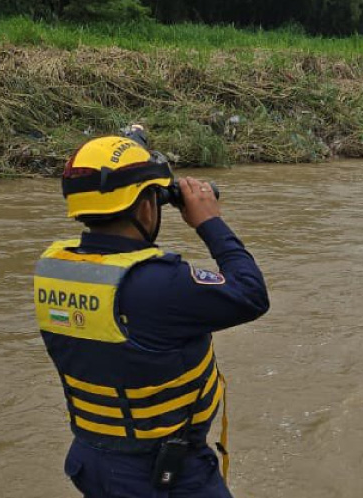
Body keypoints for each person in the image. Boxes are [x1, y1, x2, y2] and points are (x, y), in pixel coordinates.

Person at [34, 125, 269, 496]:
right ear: (147, 205)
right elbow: (252, 294)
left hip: (92, 460)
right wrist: (210, 221)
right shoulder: (161, 283)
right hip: (165, 474)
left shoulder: (56, 268)